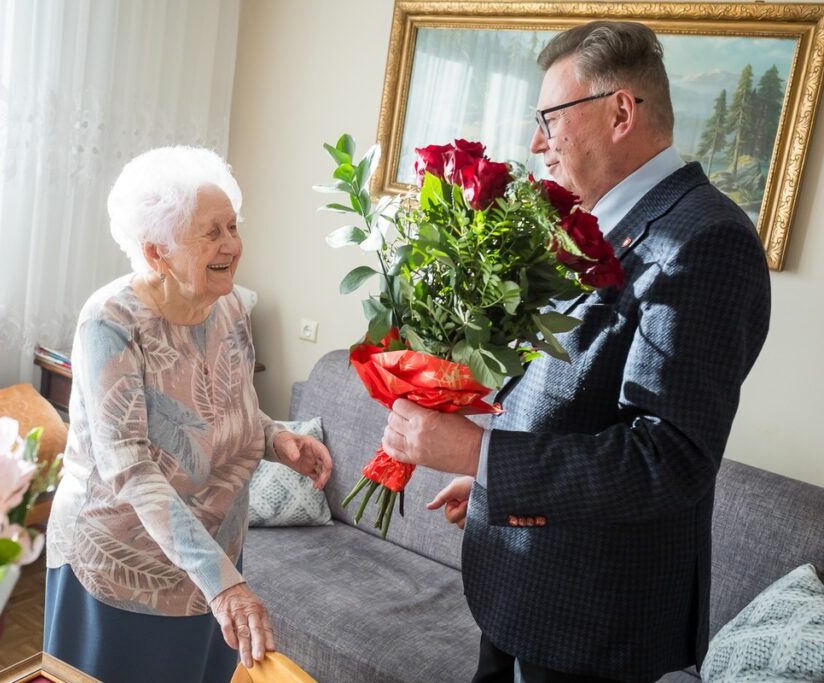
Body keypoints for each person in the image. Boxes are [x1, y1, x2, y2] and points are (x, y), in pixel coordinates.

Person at [381, 21, 771, 683]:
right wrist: (491, 482)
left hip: (591, 623)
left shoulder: (703, 241)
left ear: (621, 111)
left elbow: (667, 457)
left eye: (550, 119)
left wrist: (478, 452)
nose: (537, 143)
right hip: (525, 589)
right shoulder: (596, 223)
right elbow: (573, 397)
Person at [43, 146, 333, 683]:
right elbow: (128, 467)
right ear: (157, 253)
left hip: (214, 551)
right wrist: (223, 582)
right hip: (124, 562)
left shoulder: (231, 306)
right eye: (212, 233)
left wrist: (276, 440)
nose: (232, 246)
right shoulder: (108, 324)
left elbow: (232, 407)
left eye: (232, 226)